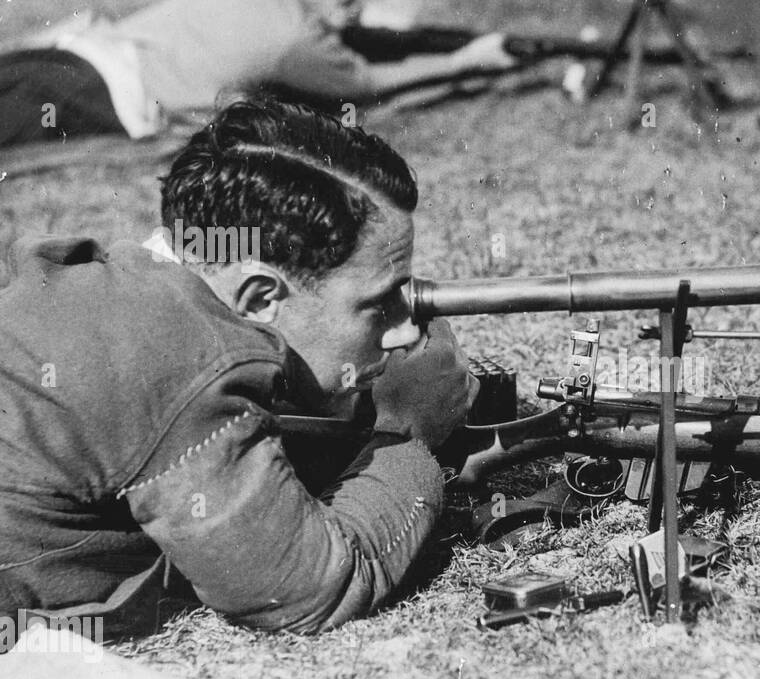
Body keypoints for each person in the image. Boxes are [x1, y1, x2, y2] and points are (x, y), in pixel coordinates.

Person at [0, 96, 478, 636]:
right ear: (258, 297)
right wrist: (409, 431)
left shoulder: (110, 285)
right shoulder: (179, 356)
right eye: (377, 305)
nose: (406, 330)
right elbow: (311, 589)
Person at [0, 0, 516, 148]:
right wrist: (466, 61)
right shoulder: (298, 42)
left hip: (80, 49)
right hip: (106, 90)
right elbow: (367, 84)